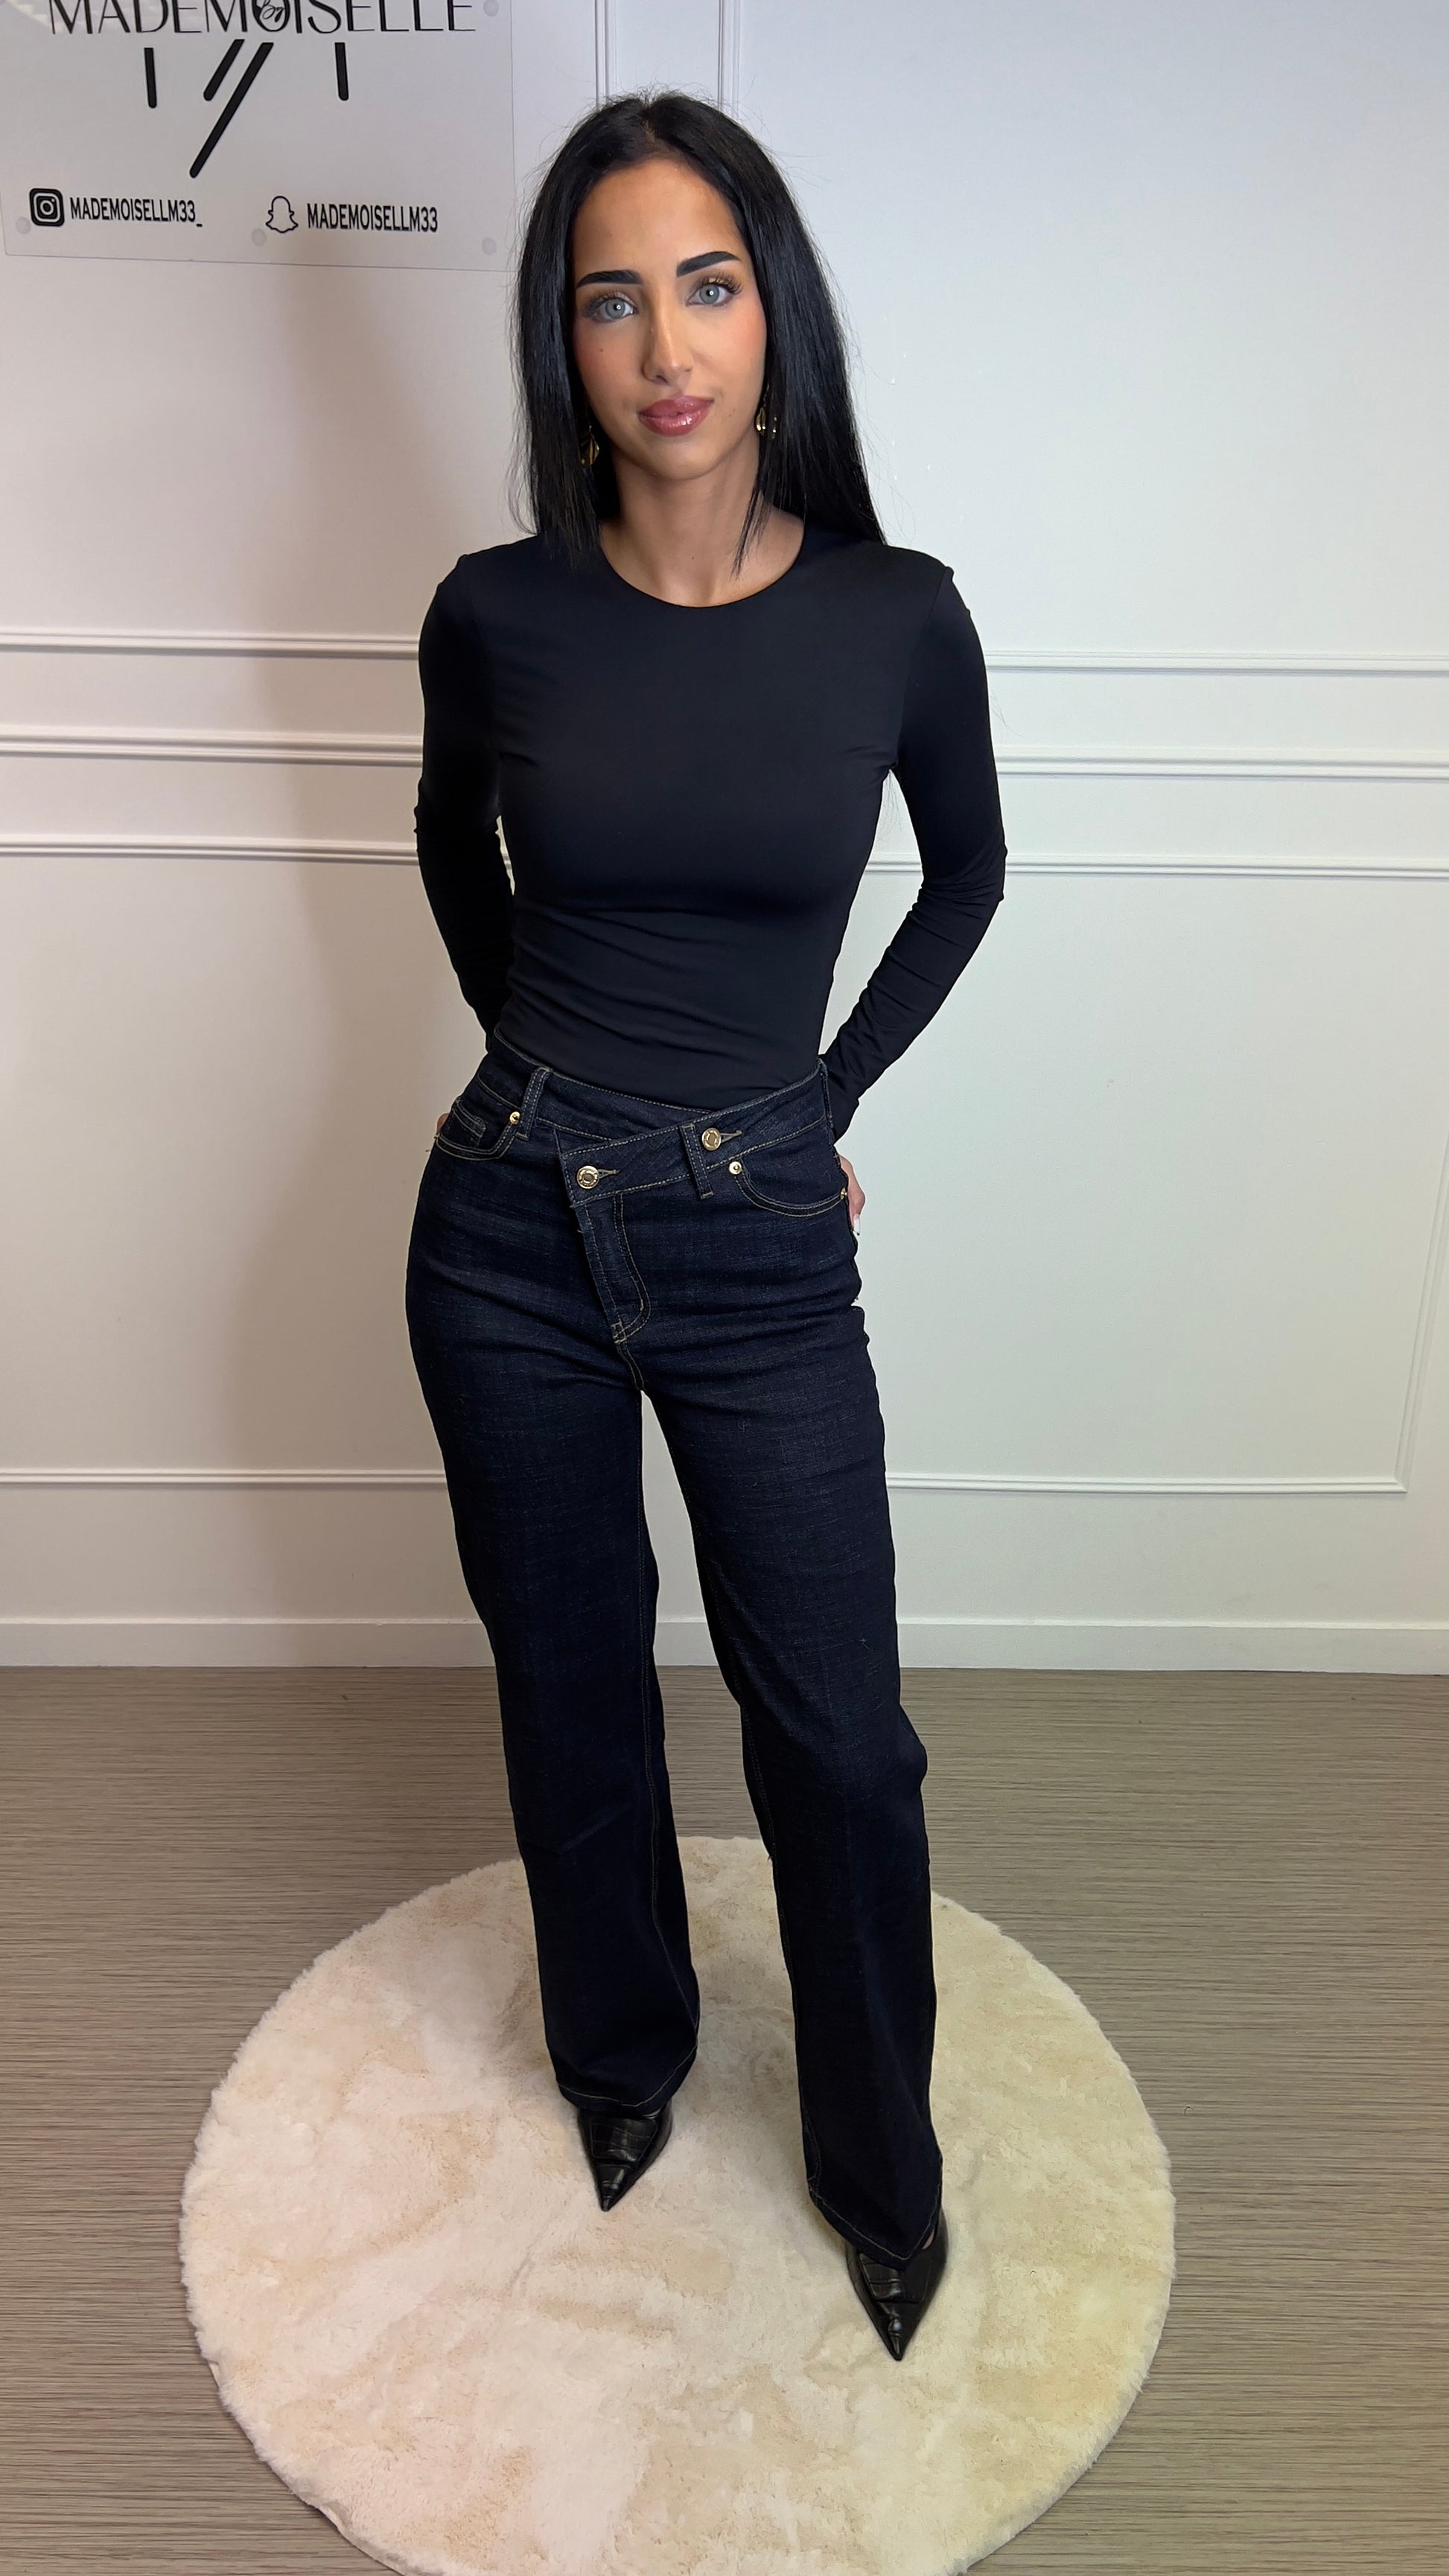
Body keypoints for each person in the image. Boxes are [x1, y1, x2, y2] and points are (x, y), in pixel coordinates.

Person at [404, 90, 1006, 2364]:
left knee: (835, 1734)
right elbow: (453, 853)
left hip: (759, 1234)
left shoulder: (893, 616)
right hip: (506, 1234)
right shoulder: (495, 613)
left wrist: (813, 1099)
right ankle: (622, 2058)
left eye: (709, 285)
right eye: (612, 298)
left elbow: (967, 872)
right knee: (570, 1686)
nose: (667, 346)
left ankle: (876, 2165)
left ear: (776, 316)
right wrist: (540, 1066)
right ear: (562, 342)